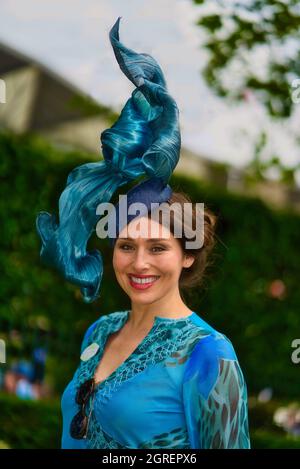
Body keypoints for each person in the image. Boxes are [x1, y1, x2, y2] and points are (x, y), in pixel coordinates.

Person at [36, 17, 250, 449]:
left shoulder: (209, 354)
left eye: (158, 247)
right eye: (126, 245)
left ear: (187, 255)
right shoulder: (100, 331)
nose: (139, 262)